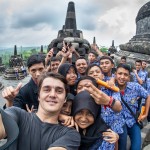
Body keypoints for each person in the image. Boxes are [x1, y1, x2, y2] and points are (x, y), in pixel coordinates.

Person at [0, 72, 81, 150]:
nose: (52, 95)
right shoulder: (18, 114)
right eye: (47, 90)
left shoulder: (71, 134)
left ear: (65, 99)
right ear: (38, 96)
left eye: (59, 91)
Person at [115, 63, 150, 150]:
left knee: (136, 147)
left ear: (129, 77)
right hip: (118, 124)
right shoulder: (110, 87)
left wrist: (145, 114)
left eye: (125, 74)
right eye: (120, 74)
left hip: (133, 121)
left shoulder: (135, 87)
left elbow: (148, 96)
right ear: (115, 74)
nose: (122, 77)